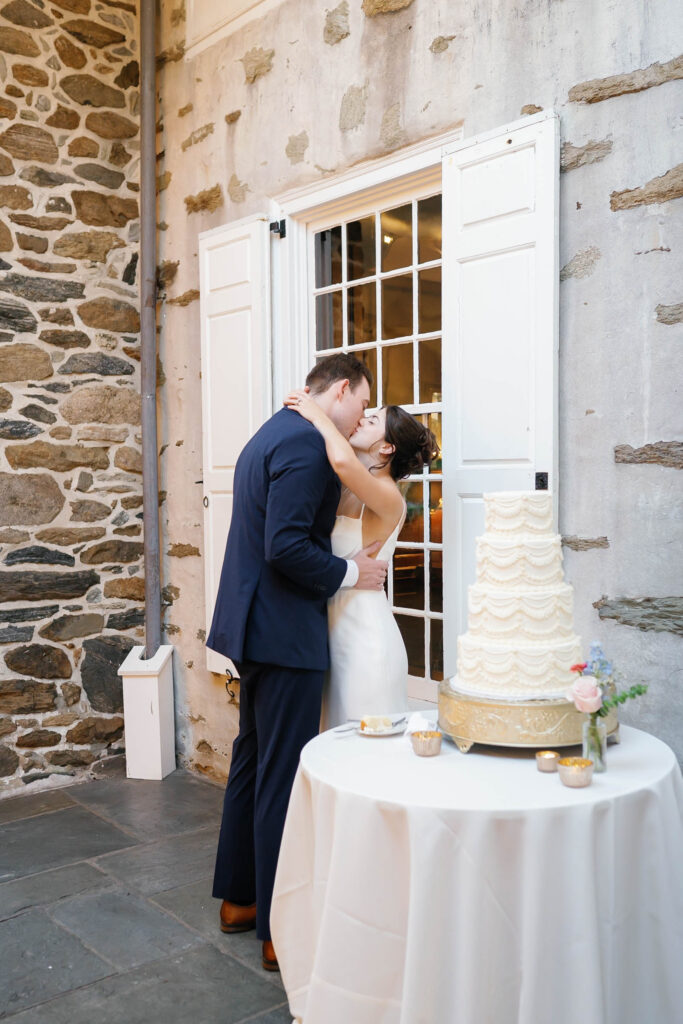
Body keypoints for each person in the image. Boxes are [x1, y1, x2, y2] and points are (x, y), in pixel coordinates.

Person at [207, 352, 388, 972]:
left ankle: (240, 900)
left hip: (255, 624)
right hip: (283, 631)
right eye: (363, 402)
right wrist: (349, 572)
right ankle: (278, 929)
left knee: (253, 763)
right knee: (281, 776)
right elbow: (285, 544)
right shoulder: (309, 445)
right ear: (340, 390)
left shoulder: (275, 430)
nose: (363, 414)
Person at [283, 390, 439, 728]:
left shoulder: (388, 495)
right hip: (331, 632)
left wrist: (316, 413)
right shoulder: (347, 488)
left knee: (368, 750)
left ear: (386, 448)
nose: (361, 420)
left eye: (371, 420)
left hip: (367, 641)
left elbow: (342, 461)